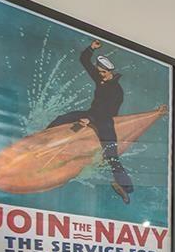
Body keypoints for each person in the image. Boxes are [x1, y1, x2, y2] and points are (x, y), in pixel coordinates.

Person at [47, 40, 134, 203]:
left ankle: (125, 187)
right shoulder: (101, 77)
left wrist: (90, 120)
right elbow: (84, 61)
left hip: (105, 122)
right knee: (61, 119)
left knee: (111, 155)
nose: (99, 74)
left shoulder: (117, 91)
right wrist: (91, 48)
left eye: (102, 72)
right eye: (99, 71)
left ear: (109, 72)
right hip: (91, 114)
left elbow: (108, 112)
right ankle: (42, 139)